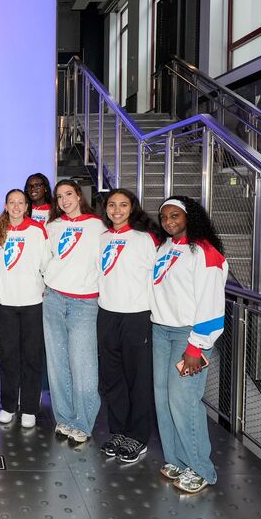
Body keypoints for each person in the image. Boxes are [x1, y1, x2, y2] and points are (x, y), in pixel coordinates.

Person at [152, 195, 228, 494]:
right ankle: (176, 459)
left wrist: (197, 346)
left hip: (189, 336)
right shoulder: (166, 248)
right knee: (164, 399)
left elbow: (211, 303)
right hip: (161, 331)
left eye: (175, 216)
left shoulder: (204, 252)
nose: (169, 221)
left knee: (184, 401)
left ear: (189, 217)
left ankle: (200, 468)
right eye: (164, 217)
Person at [97, 188, 163, 463]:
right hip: (107, 314)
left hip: (137, 316)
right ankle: (118, 431)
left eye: (123, 205)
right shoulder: (102, 238)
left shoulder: (145, 239)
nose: (117, 210)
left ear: (132, 208)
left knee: (138, 380)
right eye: (112, 205)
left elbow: (158, 278)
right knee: (113, 380)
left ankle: (138, 437)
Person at [42, 179, 104, 444]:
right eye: (59, 197)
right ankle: (64, 418)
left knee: (83, 366)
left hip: (84, 303)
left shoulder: (98, 226)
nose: (64, 200)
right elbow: (45, 260)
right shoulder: (52, 227)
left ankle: (83, 422)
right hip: (54, 299)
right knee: (57, 365)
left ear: (79, 196)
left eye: (69, 194)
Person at [0, 189, 50, 428]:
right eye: (11, 202)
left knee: (32, 357)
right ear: (5, 205)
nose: (16, 207)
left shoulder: (37, 230)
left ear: (27, 206)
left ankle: (30, 408)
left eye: (20, 203)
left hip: (33, 302)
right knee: (9, 356)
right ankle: (9, 405)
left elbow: (46, 263)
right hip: (5, 302)